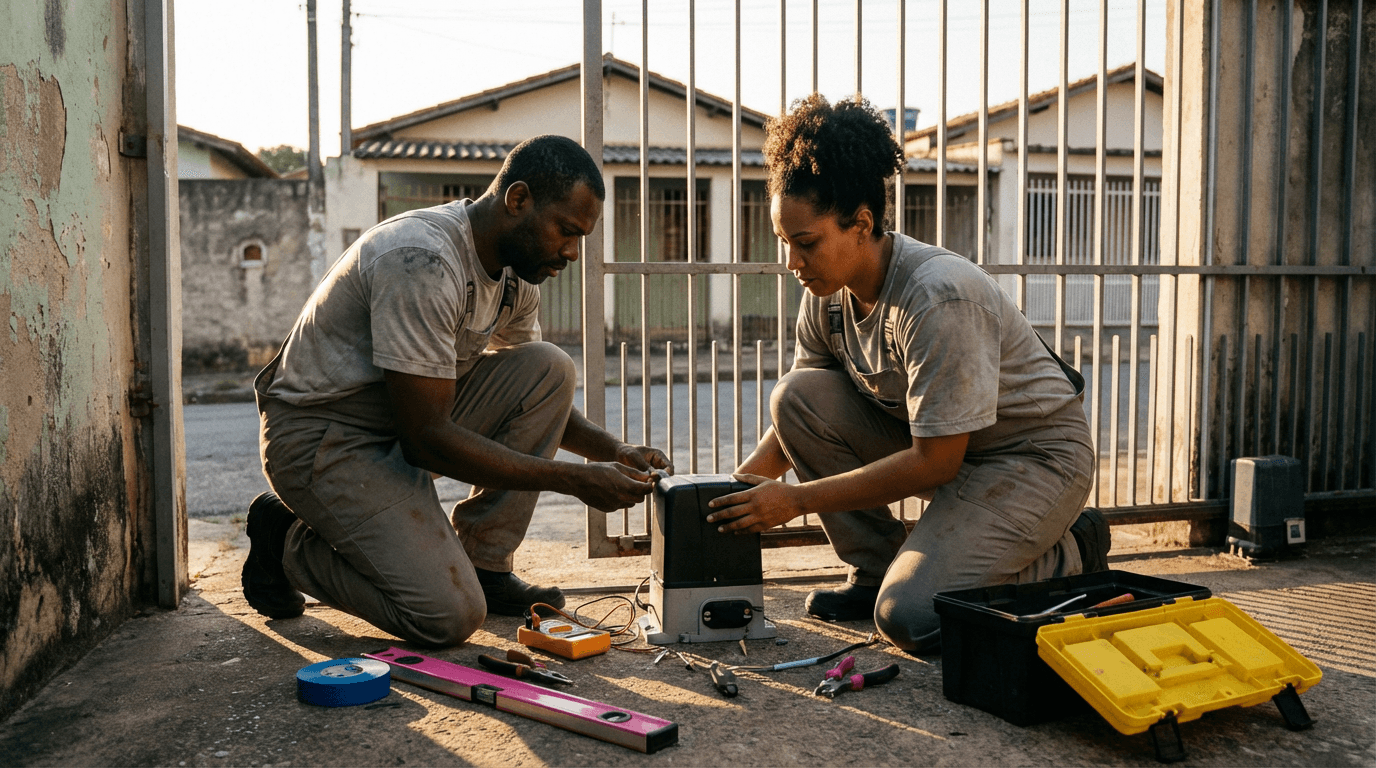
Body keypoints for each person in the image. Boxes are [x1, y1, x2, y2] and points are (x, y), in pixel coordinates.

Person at [704, 95, 1108, 654]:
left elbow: (934, 463)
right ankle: (877, 569)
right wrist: (721, 499)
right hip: (949, 448)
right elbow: (799, 418)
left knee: (910, 617)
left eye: (806, 243)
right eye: (784, 243)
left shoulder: (937, 297)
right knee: (795, 395)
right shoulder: (827, 294)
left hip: (1030, 460)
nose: (792, 263)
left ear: (861, 223)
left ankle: (1073, 549)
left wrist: (795, 501)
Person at [242, 135, 671, 647]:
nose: (573, 253)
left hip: (400, 425)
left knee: (549, 368)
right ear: (518, 200)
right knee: (446, 616)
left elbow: (535, 401)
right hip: (323, 440)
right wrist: (574, 480)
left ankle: (485, 563)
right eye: (566, 231)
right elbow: (426, 440)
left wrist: (613, 451)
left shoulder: (515, 275)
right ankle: (284, 540)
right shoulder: (421, 261)